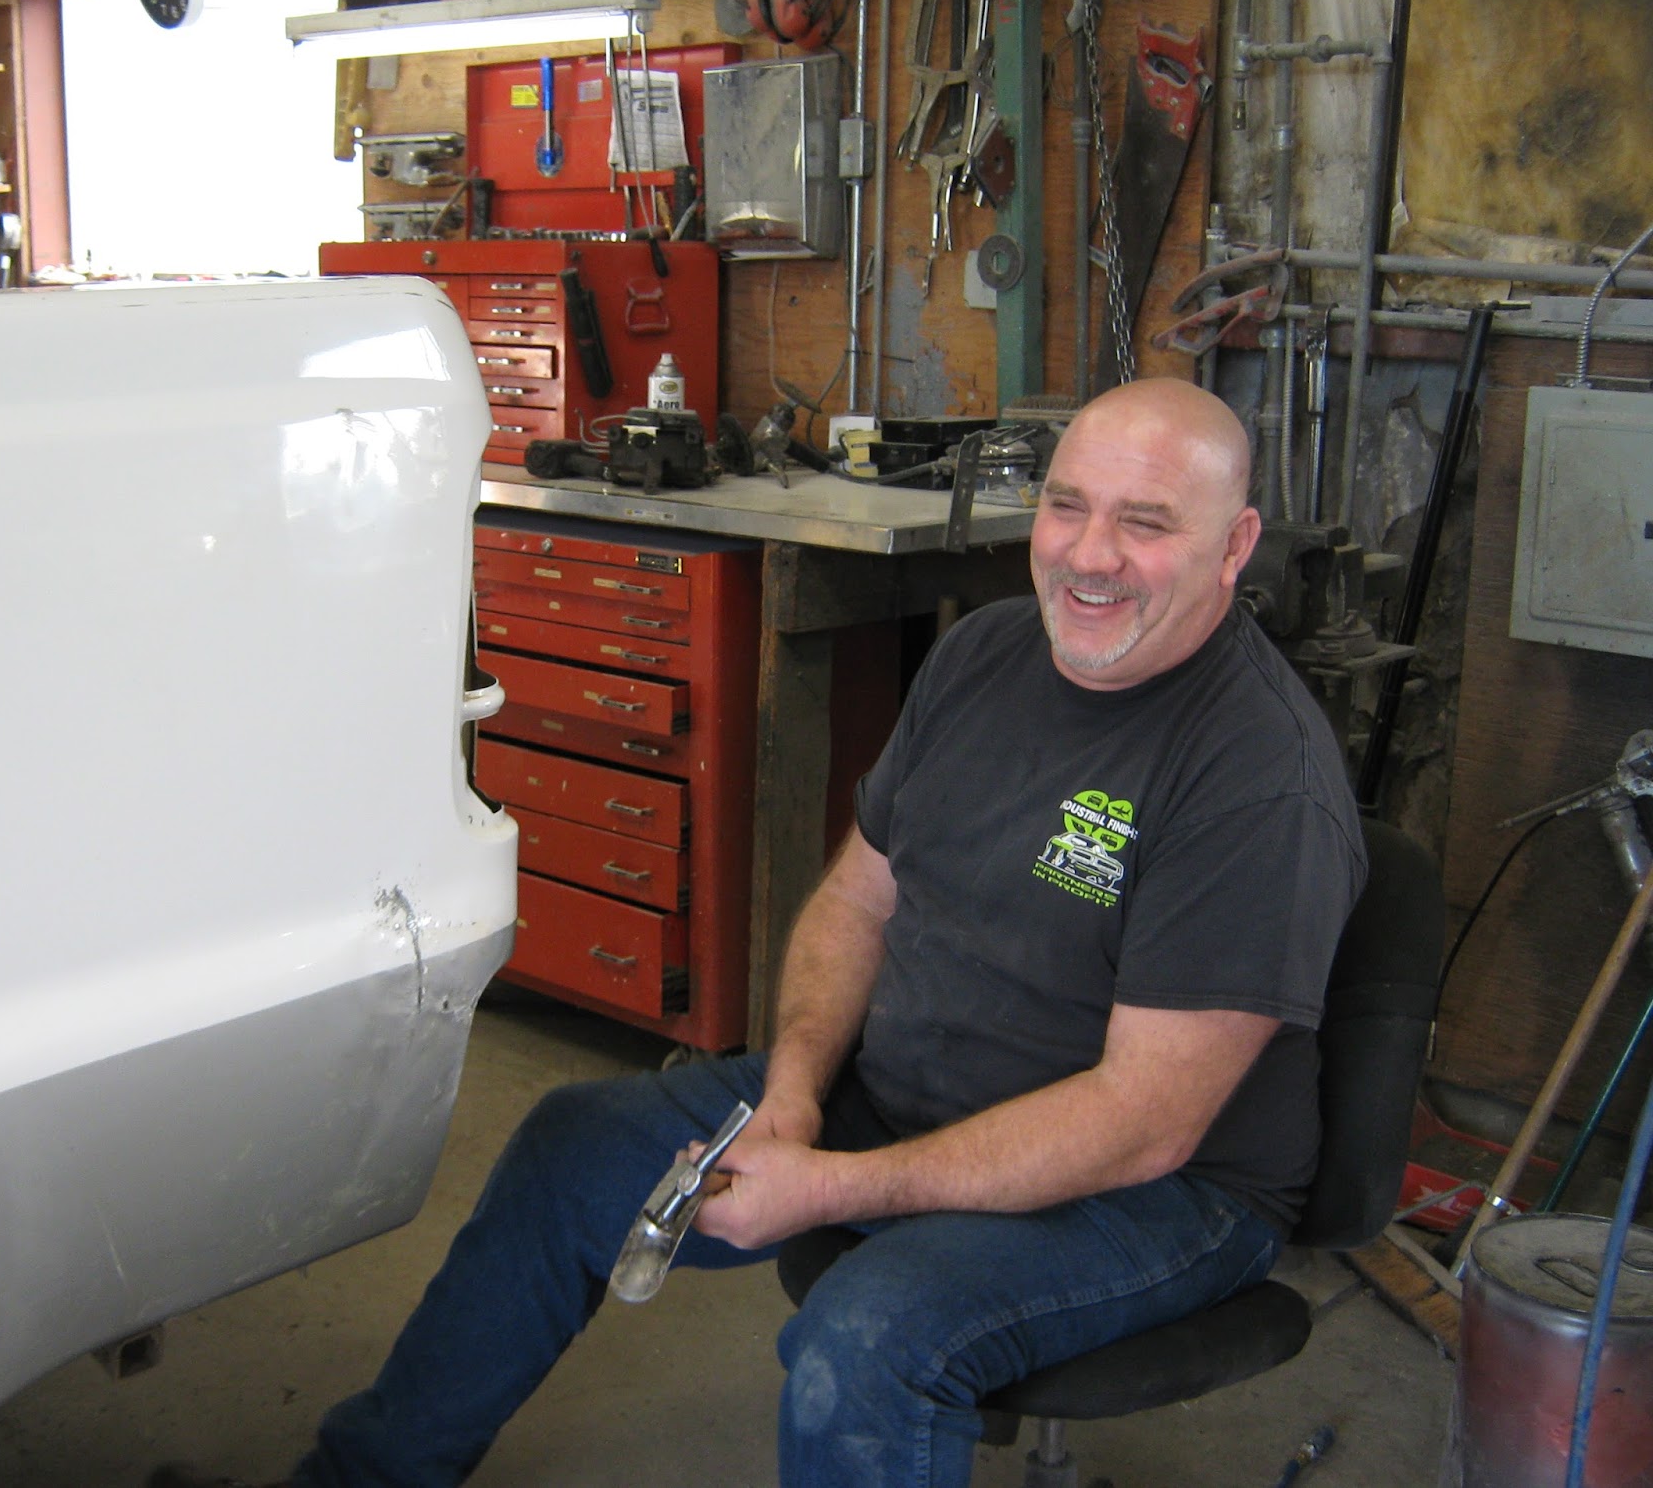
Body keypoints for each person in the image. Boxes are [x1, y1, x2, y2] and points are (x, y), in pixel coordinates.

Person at [150, 377, 1366, 1488]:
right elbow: (856, 900)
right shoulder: (987, 653)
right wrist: (791, 1094)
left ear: (1232, 547)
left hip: (1156, 1195)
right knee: (572, 1149)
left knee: (869, 1339)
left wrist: (832, 1184)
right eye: (1065, 506)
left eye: (1144, 524)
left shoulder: (1255, 777)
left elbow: (1142, 1121)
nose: (1089, 556)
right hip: (905, 1097)